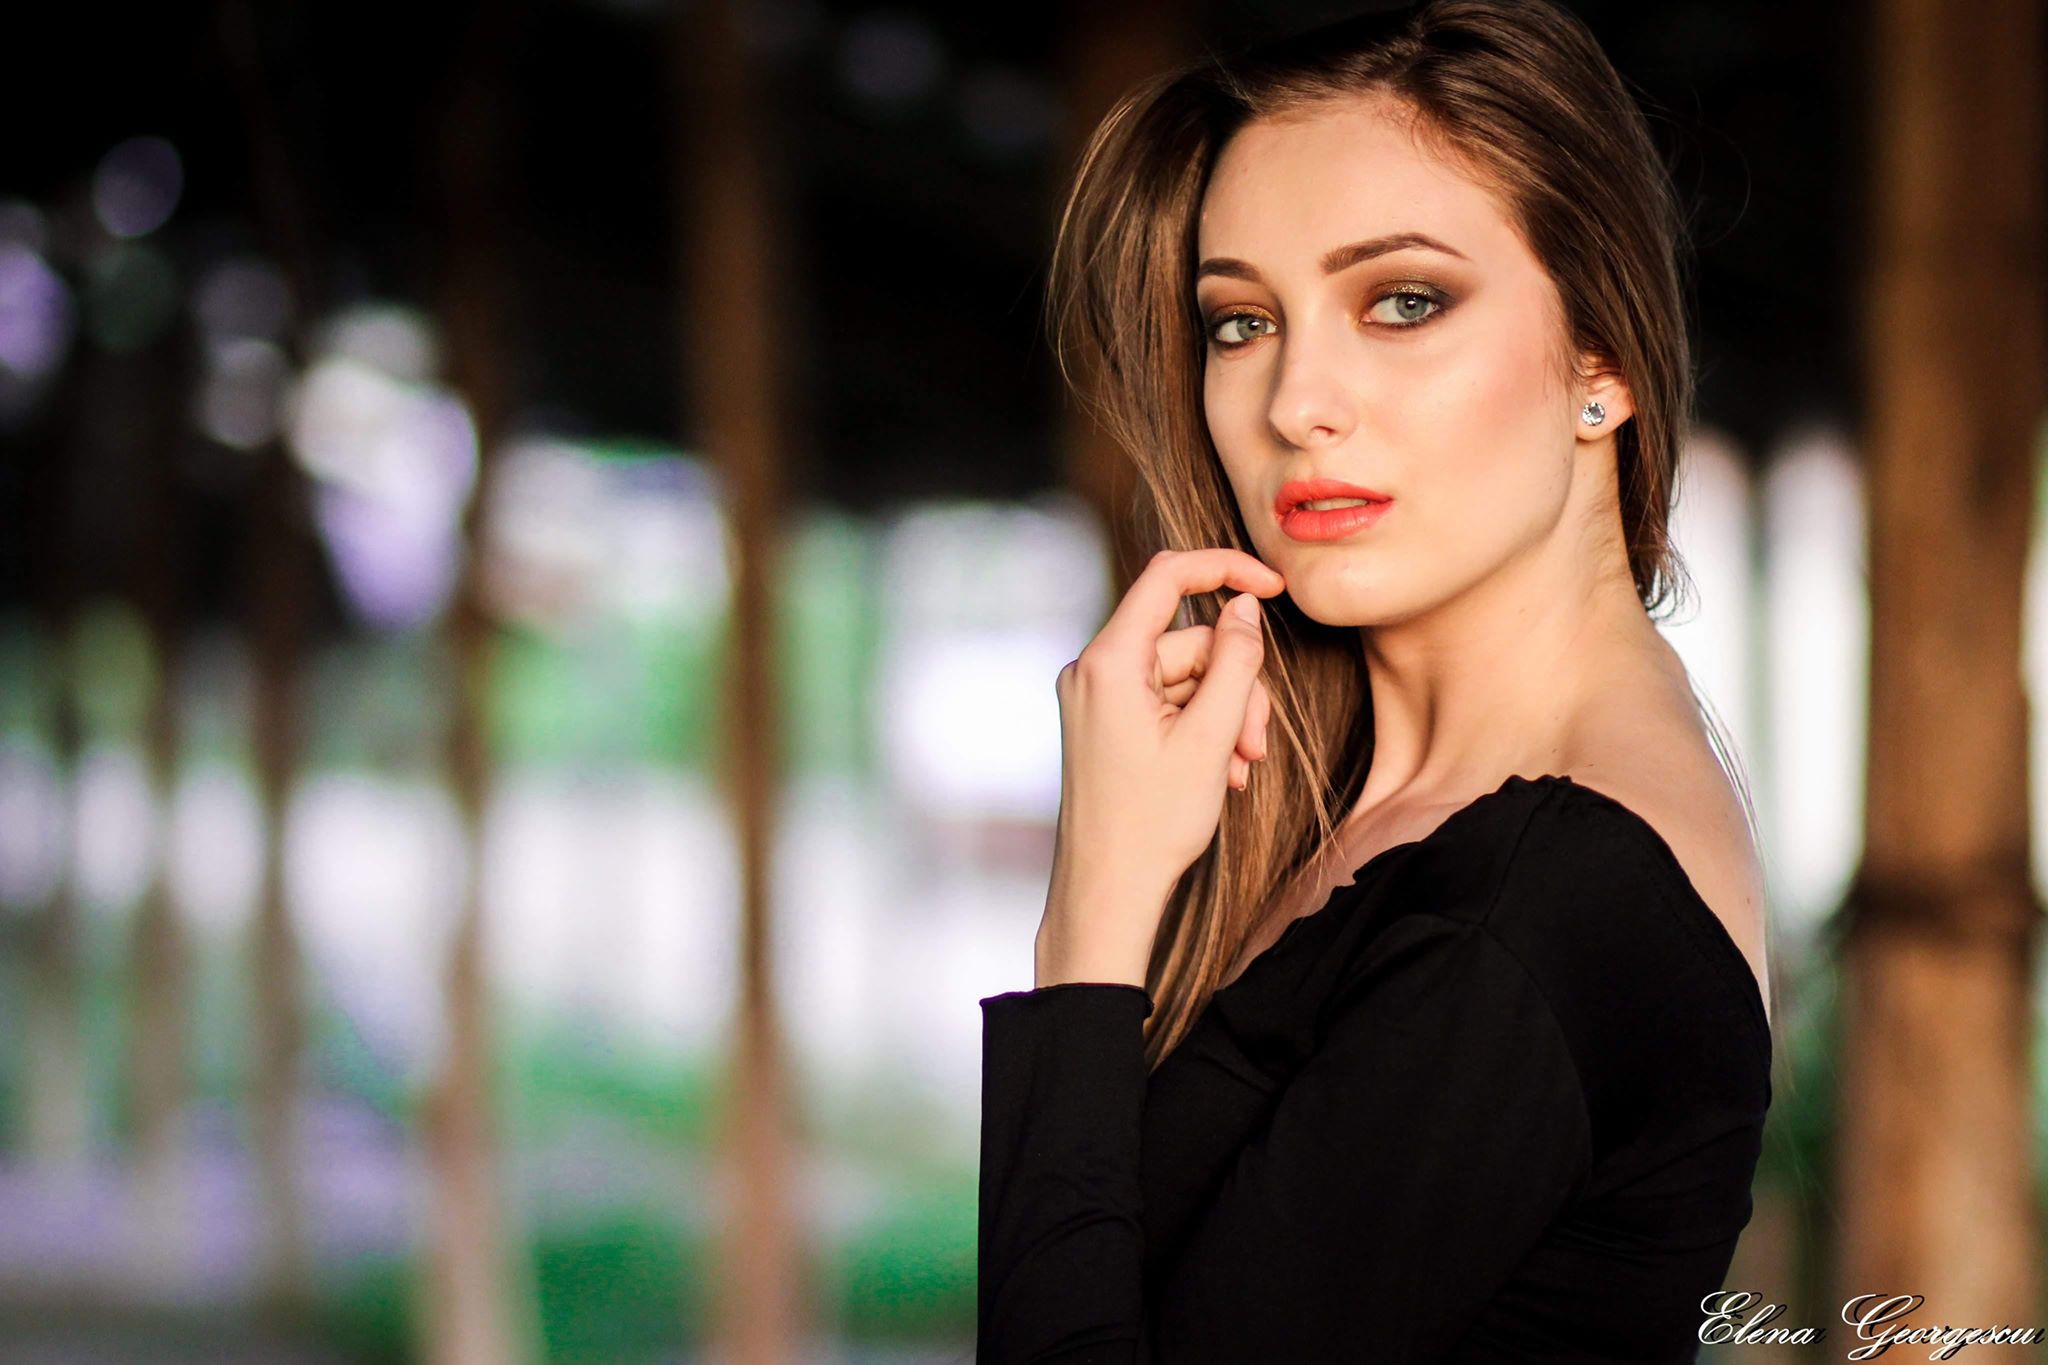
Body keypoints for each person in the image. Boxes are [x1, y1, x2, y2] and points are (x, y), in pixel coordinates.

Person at [976, 1, 1779, 1360]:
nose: (1296, 402)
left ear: (1603, 360)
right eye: (1241, 322)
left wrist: (1093, 923)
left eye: (1404, 302)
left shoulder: (1536, 905)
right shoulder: (1375, 817)